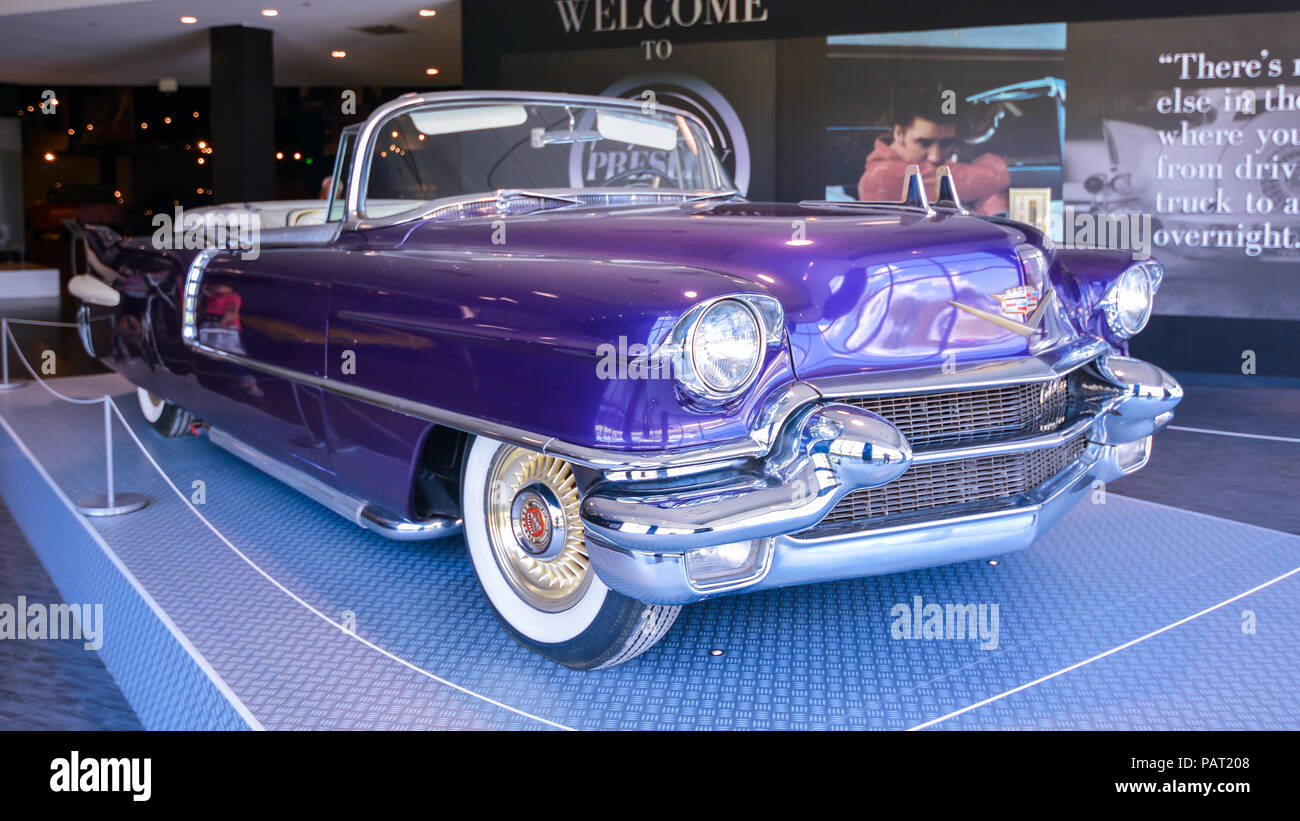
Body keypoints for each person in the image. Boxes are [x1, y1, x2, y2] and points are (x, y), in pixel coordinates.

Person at [857, 97, 1010, 215]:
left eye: (945, 144)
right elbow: (995, 178)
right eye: (924, 143)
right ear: (899, 133)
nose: (935, 157)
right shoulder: (887, 175)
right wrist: (989, 205)